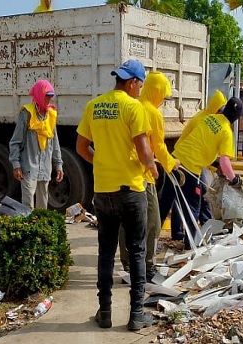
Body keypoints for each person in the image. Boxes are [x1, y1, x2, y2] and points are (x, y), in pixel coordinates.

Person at [76, 59, 158, 331]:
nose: (140, 90)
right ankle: (136, 315)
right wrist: (152, 167)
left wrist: (101, 162)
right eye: (141, 85)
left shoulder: (94, 106)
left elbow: (81, 147)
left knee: (106, 252)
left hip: (103, 192)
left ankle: (106, 312)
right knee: (136, 251)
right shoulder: (133, 107)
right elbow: (144, 150)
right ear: (133, 82)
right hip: (131, 190)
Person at [159, 97, 243, 249]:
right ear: (237, 117)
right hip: (190, 169)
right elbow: (225, 162)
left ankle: (147, 241)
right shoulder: (226, 132)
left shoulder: (211, 118)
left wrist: (215, 164)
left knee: (164, 204)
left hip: (175, 160)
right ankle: (191, 244)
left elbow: (202, 145)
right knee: (192, 208)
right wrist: (234, 179)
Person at [118, 71, 179, 282]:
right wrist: (171, 163)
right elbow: (158, 147)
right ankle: (147, 265)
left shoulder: (131, 105)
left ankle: (127, 261)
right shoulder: (152, 113)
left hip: (125, 174)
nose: (163, 101)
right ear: (157, 92)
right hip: (144, 175)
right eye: (163, 96)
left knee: (127, 221)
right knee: (152, 222)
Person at [8, 79, 63, 210]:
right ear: (39, 95)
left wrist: (59, 164)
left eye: (50, 96)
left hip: (45, 167)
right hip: (28, 167)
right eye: (46, 96)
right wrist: (16, 165)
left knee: (43, 203)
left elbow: (55, 142)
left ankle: (40, 229)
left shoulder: (51, 115)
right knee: (27, 205)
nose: (49, 100)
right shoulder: (27, 113)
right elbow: (15, 141)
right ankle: (28, 229)